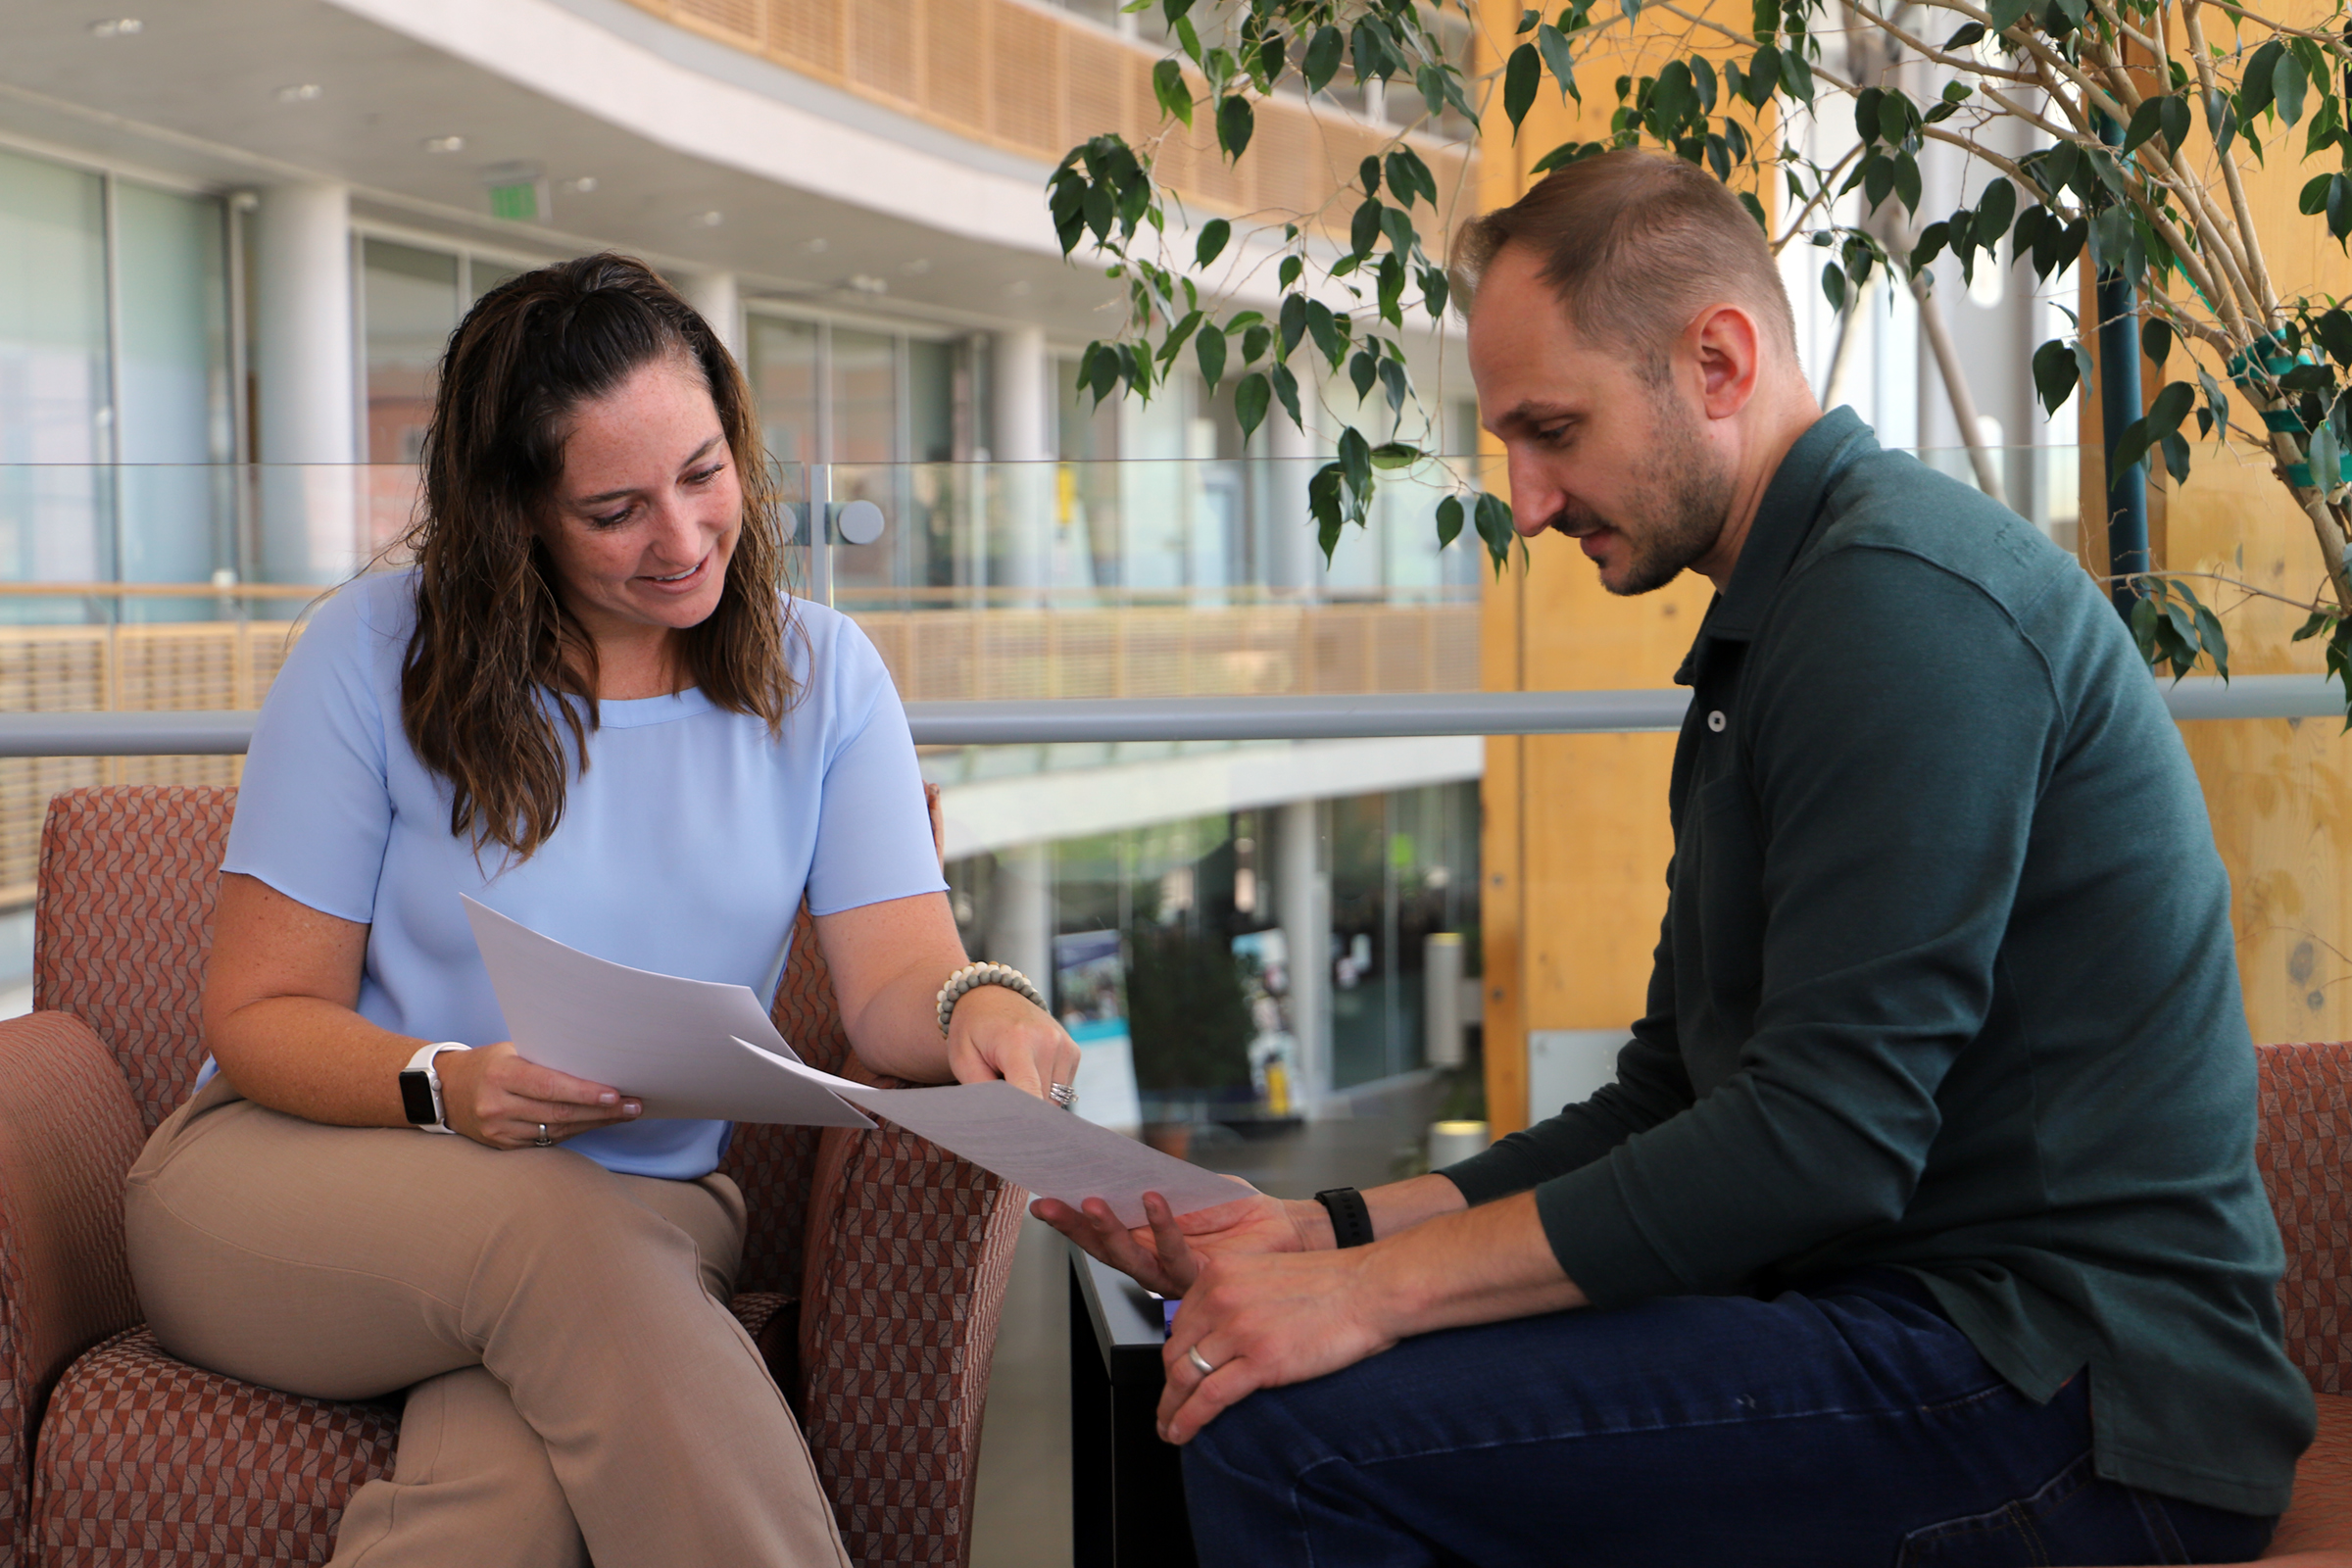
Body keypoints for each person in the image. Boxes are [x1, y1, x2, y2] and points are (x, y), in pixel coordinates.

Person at [1043, 150, 2315, 1566]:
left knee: (1291, 1436)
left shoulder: (1900, 610)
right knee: (1275, 1374)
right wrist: (1325, 1235)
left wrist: (1376, 1295)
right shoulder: (1783, 625)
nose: (1524, 502)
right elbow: (1666, 1096)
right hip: (1923, 1330)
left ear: (1716, 361)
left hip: (2075, 1394)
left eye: (1553, 430)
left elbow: (1825, 1141)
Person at [123, 253, 1080, 1568]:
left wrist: (985, 1003)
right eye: (617, 508)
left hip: (633, 1220)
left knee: (503, 1503)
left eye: (702, 476)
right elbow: (258, 1013)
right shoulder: (366, 652)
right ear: (517, 516)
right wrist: (448, 1086)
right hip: (284, 1185)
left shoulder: (826, 678)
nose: (682, 541)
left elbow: (894, 976)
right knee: (555, 1237)